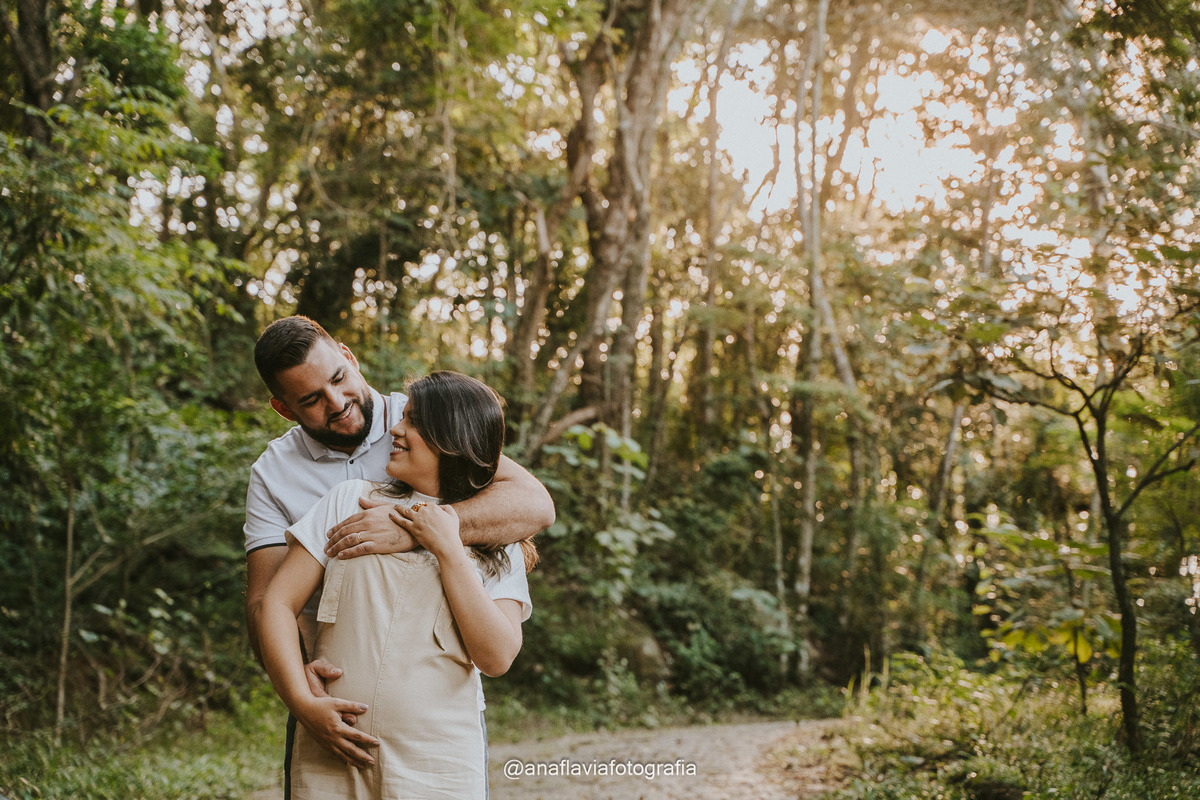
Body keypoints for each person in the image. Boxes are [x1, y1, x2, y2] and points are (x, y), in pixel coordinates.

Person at [243, 316, 554, 786]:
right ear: (284, 409)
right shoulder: (279, 475)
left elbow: (533, 503)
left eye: (339, 379)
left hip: (437, 746)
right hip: (327, 704)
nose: (338, 403)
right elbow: (267, 601)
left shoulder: (425, 413)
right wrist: (299, 690)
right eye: (311, 400)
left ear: (349, 357)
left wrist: (422, 531)